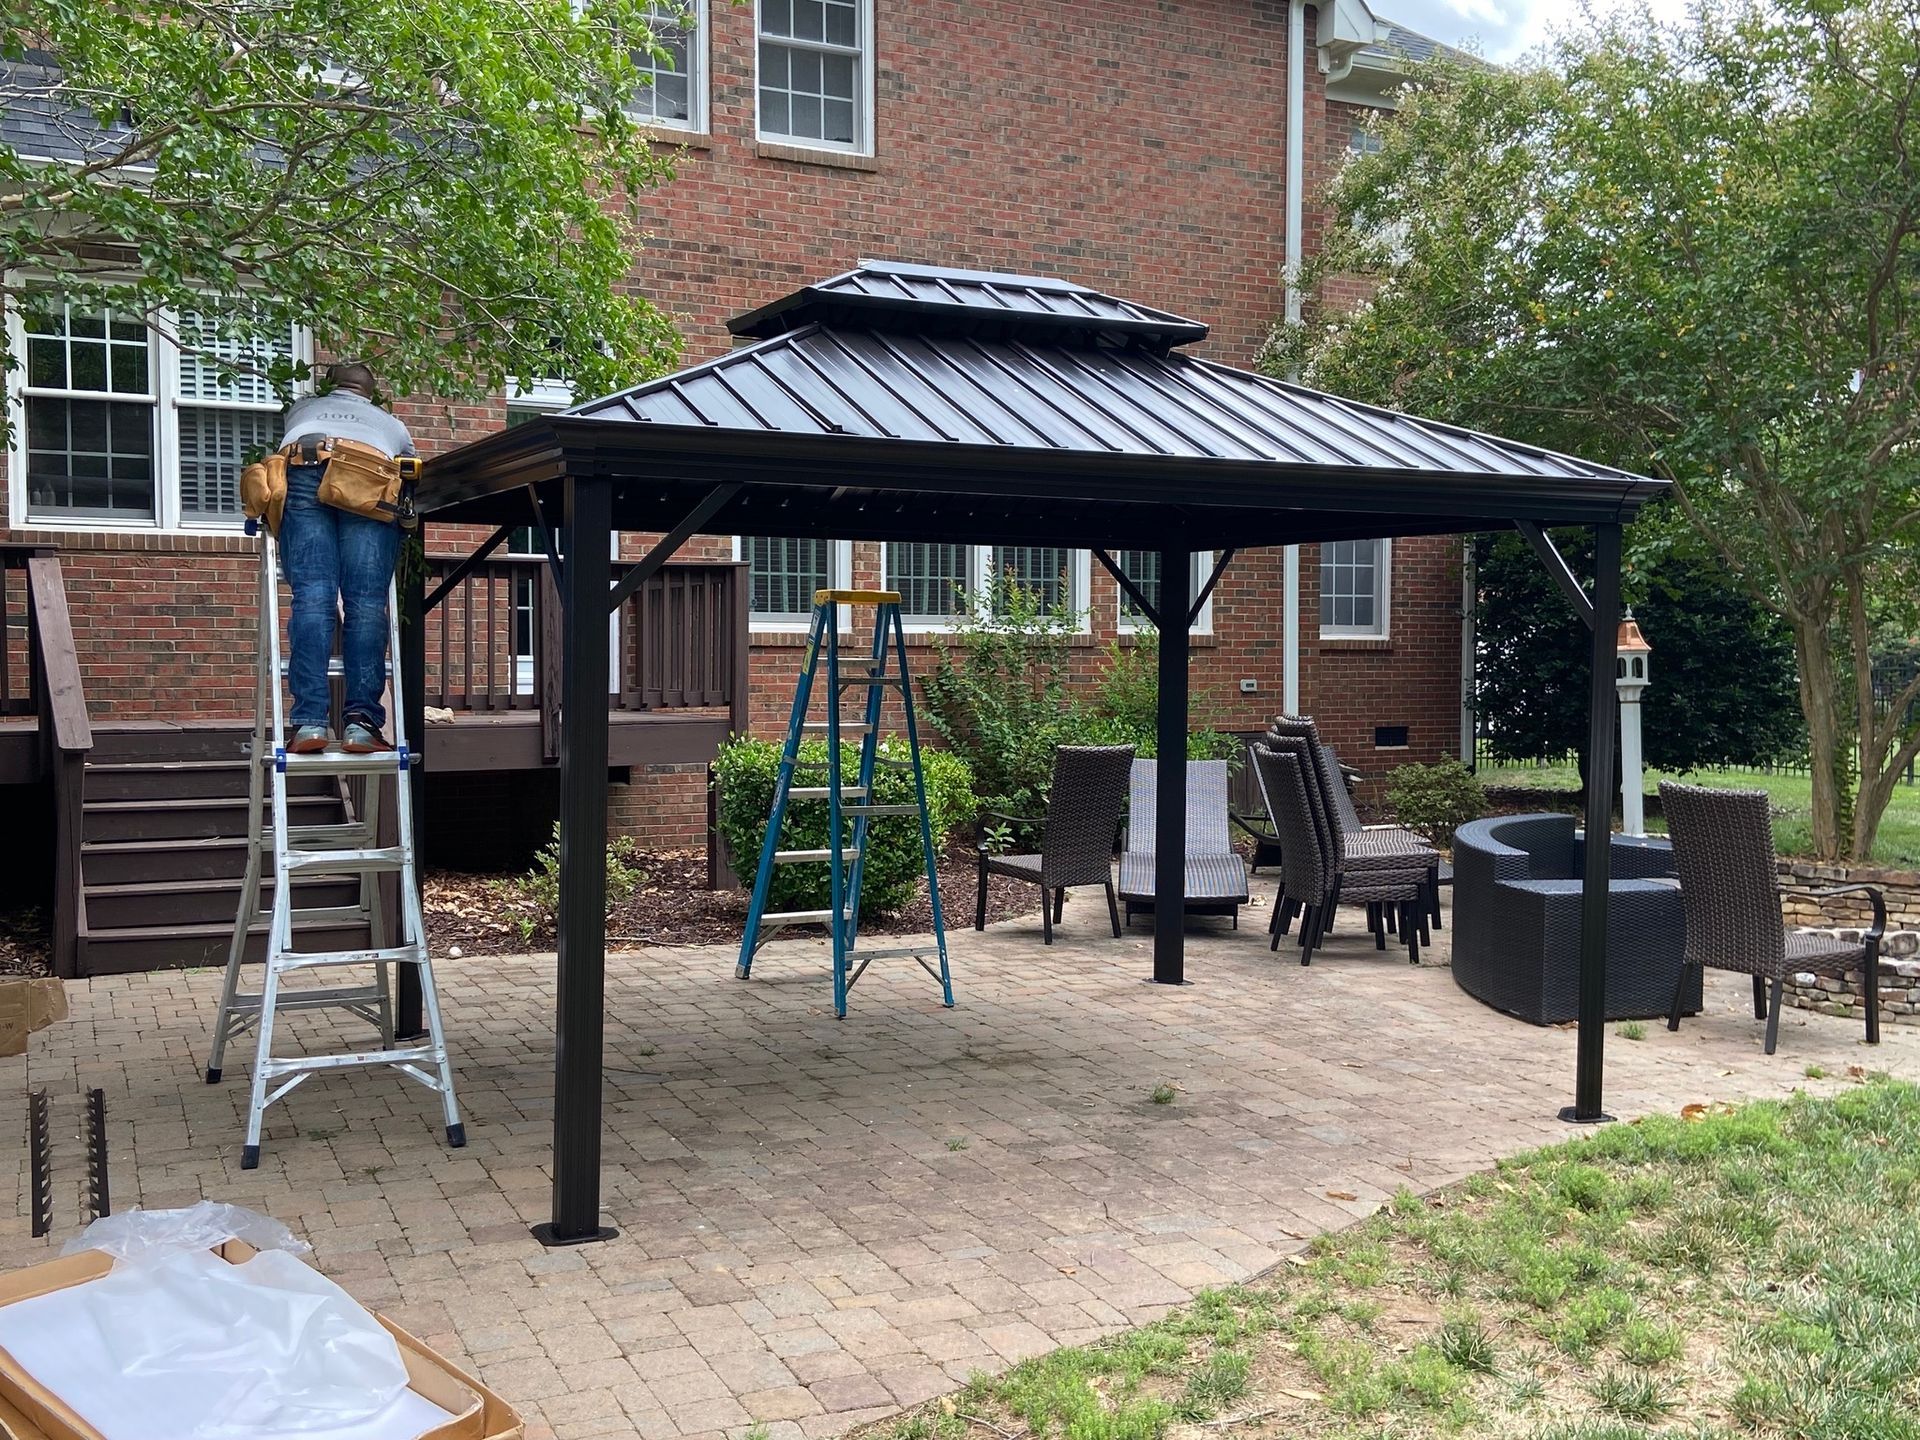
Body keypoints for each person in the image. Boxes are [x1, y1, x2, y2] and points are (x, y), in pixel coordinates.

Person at [278, 362, 416, 754]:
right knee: (367, 604)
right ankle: (361, 724)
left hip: (304, 466)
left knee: (313, 597)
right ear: (369, 393)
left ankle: (308, 724)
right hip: (368, 477)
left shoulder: (302, 409)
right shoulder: (391, 424)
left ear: (330, 386)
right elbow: (410, 474)